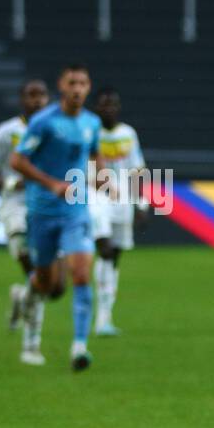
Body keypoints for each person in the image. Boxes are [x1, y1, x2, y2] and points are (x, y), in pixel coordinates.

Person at [10, 62, 104, 369]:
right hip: (43, 212)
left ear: (88, 88)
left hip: (76, 209)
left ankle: (79, 347)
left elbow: (92, 153)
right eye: (72, 83)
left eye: (83, 83)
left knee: (80, 272)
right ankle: (28, 310)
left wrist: (102, 177)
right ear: (61, 87)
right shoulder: (43, 122)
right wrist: (51, 184)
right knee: (48, 284)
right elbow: (17, 161)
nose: (77, 89)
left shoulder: (91, 122)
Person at [0, 79, 50, 327]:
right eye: (31, 95)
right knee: (21, 238)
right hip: (15, 203)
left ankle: (22, 295)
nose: (37, 100)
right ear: (22, 100)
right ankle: (32, 338)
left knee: (48, 277)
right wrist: (10, 183)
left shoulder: (56, 129)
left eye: (41, 94)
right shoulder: (7, 132)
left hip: (47, 204)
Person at [89, 87, 148, 337]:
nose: (109, 108)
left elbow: (137, 170)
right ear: (97, 107)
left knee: (114, 256)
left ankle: (105, 315)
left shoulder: (128, 134)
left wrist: (141, 203)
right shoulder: (90, 131)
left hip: (123, 197)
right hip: (95, 194)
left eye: (112, 104)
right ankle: (100, 318)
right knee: (103, 248)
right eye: (104, 104)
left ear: (118, 107)